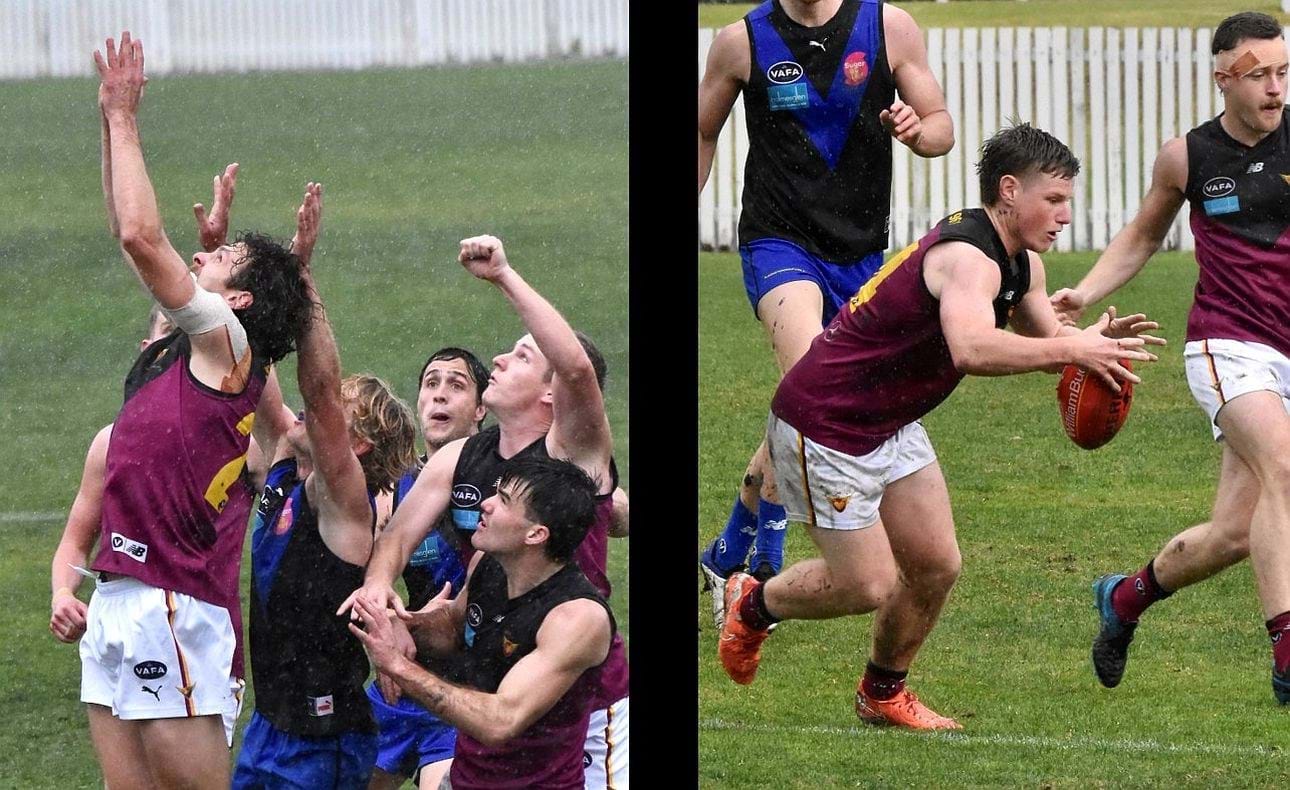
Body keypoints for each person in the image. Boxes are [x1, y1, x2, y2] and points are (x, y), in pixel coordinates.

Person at [717, 123, 1164, 730]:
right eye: (1053, 199)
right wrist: (1071, 354)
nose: (1064, 214)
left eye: (1068, 200)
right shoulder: (966, 259)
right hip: (825, 423)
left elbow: (1042, 333)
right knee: (866, 584)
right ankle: (754, 603)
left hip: (890, 420)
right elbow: (972, 349)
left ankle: (882, 693)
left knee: (935, 564)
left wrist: (1086, 341)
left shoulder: (1019, 261)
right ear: (1009, 190)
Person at [79, 32, 314, 788]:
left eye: (220, 259)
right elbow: (130, 234)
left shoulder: (231, 345)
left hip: (172, 607)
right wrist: (107, 123)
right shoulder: (181, 348)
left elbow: (142, 236)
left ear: (237, 301)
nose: (201, 253)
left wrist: (125, 119)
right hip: (118, 596)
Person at [1047, 12, 1290, 704]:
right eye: (1258, 74)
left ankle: (1125, 598)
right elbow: (1143, 235)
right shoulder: (1187, 155)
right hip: (1229, 345)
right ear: (1223, 79)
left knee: (1234, 533)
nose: (1275, 87)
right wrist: (1085, 290)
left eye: (1283, 71)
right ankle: (1287, 653)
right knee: (1285, 466)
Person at [697, 0, 955, 625]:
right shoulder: (741, 41)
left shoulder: (888, 26)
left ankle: (728, 550)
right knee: (814, 377)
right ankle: (769, 550)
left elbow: (942, 124)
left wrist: (921, 135)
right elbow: (703, 131)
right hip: (778, 242)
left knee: (810, 393)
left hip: (862, 254)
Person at [340, 235, 629, 788]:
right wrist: (382, 600)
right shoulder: (460, 456)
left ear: (551, 396)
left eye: (522, 356)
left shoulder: (571, 451)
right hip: (494, 666)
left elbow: (576, 372)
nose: (497, 358)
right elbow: (396, 539)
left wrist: (503, 275)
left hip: (581, 696)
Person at [233, 188, 421, 787]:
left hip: (324, 743)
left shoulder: (346, 504)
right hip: (268, 727)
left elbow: (318, 388)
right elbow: (248, 367)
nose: (320, 414)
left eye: (340, 415)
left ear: (356, 445)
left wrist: (304, 276)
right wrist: (225, 283)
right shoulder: (289, 464)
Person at [348, 457, 618, 790]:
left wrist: (396, 664)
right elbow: (452, 626)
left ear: (536, 534)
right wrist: (403, 624)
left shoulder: (576, 619)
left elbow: (501, 720)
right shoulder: (488, 564)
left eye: (503, 500)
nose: (485, 504)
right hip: (466, 779)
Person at [366, 346, 490, 790]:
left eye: (456, 385)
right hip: (405, 678)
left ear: (481, 408)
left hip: (470, 689)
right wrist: (384, 630)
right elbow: (356, 576)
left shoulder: (503, 480)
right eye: (431, 383)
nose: (439, 395)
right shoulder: (395, 485)